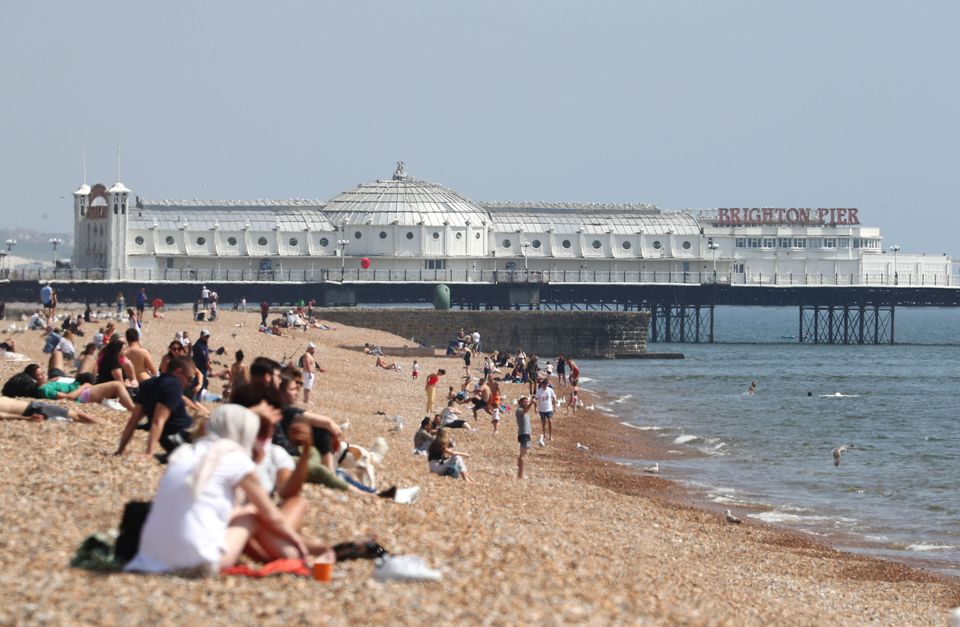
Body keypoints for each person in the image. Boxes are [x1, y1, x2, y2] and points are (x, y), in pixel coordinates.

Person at [124, 404, 308, 575]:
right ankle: (298, 556)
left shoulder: (184, 452)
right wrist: (297, 541)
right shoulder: (235, 458)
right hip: (199, 560)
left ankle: (288, 555)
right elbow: (271, 515)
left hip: (150, 557)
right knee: (252, 514)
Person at [115, 356, 198, 457]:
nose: (189, 383)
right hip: (186, 435)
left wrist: (120, 449)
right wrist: (149, 453)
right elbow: (158, 421)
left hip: (171, 441)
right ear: (178, 372)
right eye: (189, 378)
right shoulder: (173, 385)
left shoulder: (146, 385)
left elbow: (133, 420)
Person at [0, 396, 95, 423]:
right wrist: (27, 419)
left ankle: (97, 423)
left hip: (34, 408)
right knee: (77, 416)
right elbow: (2, 416)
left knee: (76, 418)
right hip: (34, 409)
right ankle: (99, 423)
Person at [515, 396, 536, 479]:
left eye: (526, 402)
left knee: (522, 455)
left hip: (525, 434)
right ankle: (521, 475)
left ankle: (520, 473)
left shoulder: (524, 411)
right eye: (524, 401)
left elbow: (527, 409)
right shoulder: (519, 410)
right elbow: (525, 410)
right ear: (519, 403)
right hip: (523, 434)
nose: (525, 403)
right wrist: (531, 403)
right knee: (522, 456)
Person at [535, 377, 558, 442]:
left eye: (546, 384)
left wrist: (554, 407)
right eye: (544, 384)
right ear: (542, 384)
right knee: (543, 423)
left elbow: (554, 398)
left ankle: (550, 436)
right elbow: (536, 399)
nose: (545, 385)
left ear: (547, 384)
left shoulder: (550, 390)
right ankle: (544, 434)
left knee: (550, 421)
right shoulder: (539, 391)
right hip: (541, 409)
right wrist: (535, 408)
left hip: (549, 409)